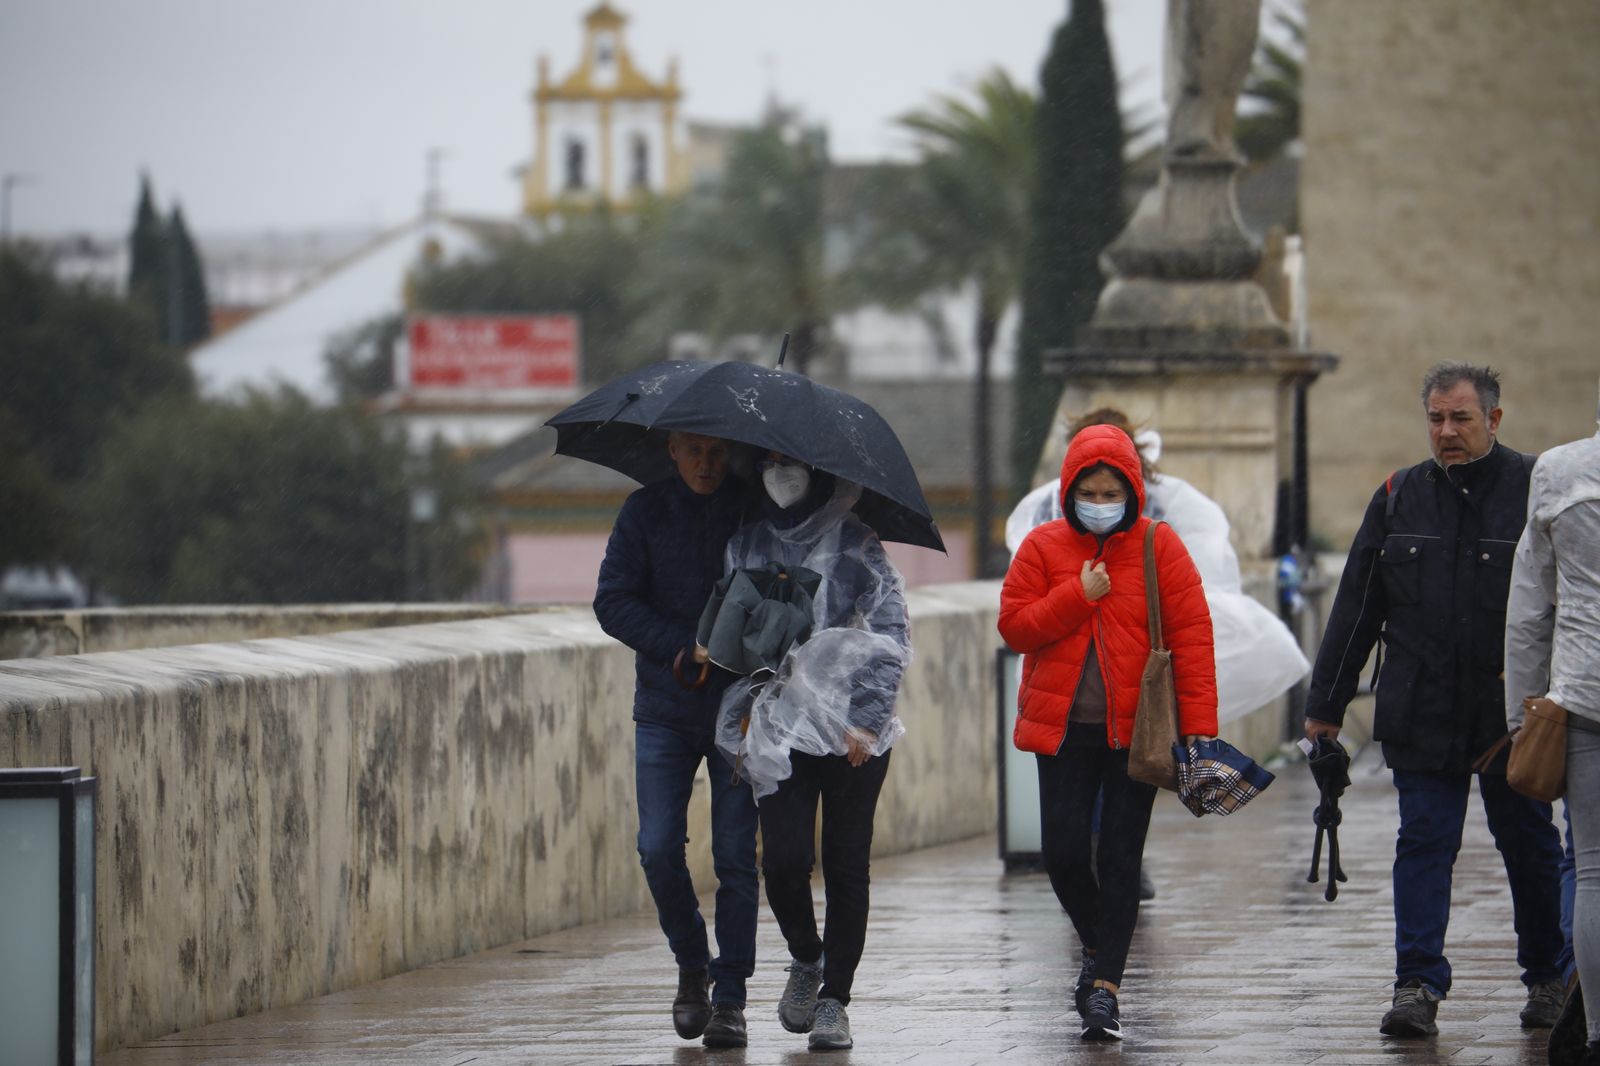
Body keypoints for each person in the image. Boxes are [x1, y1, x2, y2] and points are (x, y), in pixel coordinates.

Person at [1304, 363, 1566, 1038]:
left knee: (1529, 844)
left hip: (1511, 716)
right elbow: (1357, 607)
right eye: (1436, 419)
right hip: (1421, 709)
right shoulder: (1398, 497)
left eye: (1461, 419)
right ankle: (1416, 985)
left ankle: (1547, 978)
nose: (1447, 431)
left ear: (1494, 420)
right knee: (1423, 842)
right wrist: (1326, 707)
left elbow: (1569, 605)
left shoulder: (1536, 492)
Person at [998, 424, 1218, 1041]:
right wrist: (1078, 593)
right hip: (1063, 729)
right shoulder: (1042, 547)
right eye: (1088, 493)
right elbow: (1016, 627)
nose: (1099, 503)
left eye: (1111, 493)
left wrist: (1200, 733)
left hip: (1134, 734)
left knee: (1121, 858)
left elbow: (1193, 641)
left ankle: (1105, 991)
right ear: (1069, 492)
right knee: (1064, 855)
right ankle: (1101, 947)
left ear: (1132, 492)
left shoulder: (1158, 546)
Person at [713, 452, 910, 1053]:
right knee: (782, 860)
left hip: (850, 727)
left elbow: (891, 631)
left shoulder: (856, 544)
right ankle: (806, 955)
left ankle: (835, 1001)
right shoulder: (745, 544)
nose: (781, 474)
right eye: (770, 462)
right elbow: (731, 636)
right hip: (780, 723)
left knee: (846, 864)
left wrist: (866, 719)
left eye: (792, 463)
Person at [592, 431, 758, 1049]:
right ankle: (692, 963)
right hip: (666, 707)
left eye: (716, 452)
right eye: (694, 451)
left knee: (735, 856)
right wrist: (680, 646)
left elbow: (788, 593)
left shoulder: (754, 510)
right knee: (658, 847)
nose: (705, 464)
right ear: (672, 449)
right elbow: (612, 601)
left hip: (742, 709)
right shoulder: (645, 511)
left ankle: (731, 996)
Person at [1503, 404, 1600, 1063]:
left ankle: (1597, 1032)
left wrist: (1522, 717)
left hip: (1584, 693)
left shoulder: (1560, 472)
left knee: (1592, 869)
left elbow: (1530, 606)